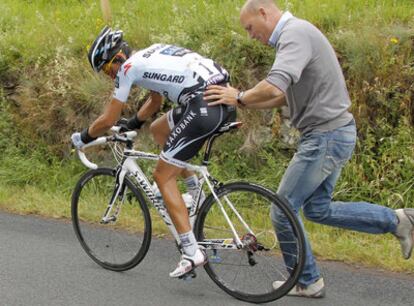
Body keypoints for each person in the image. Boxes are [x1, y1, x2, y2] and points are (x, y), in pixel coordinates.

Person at [204, 0, 414, 298]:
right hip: (332, 132)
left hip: (326, 136)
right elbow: (281, 96)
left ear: (264, 12)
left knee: (282, 209)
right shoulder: (296, 36)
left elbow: (275, 87)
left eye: (250, 28)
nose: (251, 35)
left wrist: (239, 95)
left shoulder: (294, 35)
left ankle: (307, 281)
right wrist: (240, 101)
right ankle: (398, 221)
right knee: (318, 209)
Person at [71, 26, 236, 278]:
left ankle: (191, 252)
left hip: (202, 105)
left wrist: (83, 138)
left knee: (162, 176)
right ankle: (196, 195)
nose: (109, 75)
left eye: (106, 69)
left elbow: (107, 119)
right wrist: (135, 122)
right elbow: (156, 101)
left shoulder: (127, 68)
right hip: (220, 98)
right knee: (159, 129)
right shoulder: (151, 52)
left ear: (118, 58)